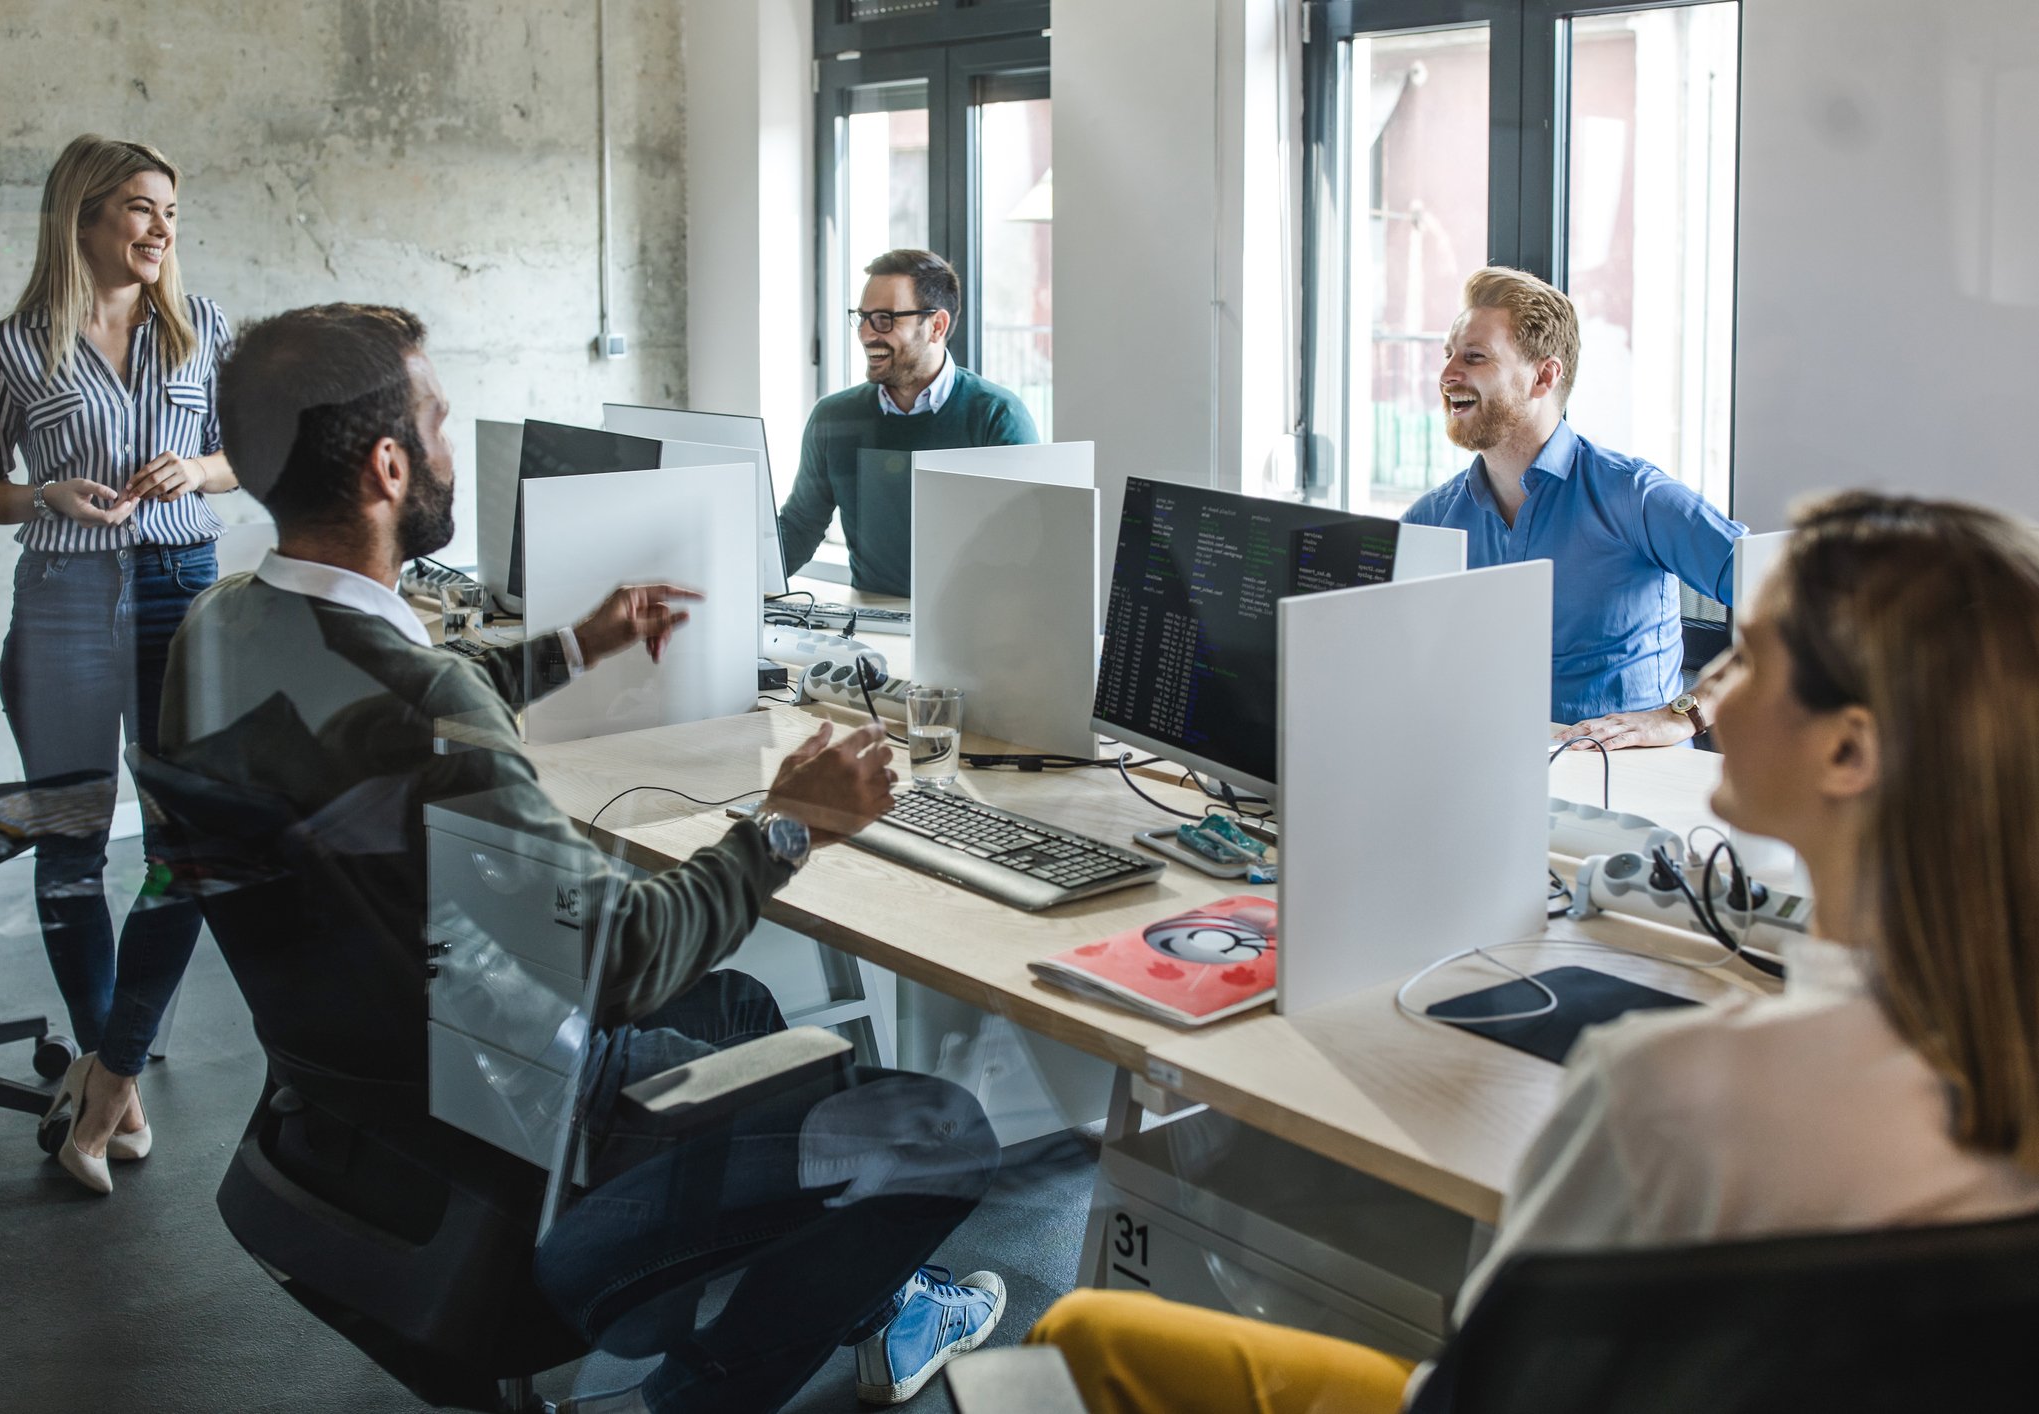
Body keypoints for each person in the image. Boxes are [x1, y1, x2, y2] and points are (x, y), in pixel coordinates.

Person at [161, 302, 1006, 1410]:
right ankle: (700, 1389)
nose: (450, 448)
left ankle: (857, 1298)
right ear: (385, 465)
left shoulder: (218, 629)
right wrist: (789, 822)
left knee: (742, 1008)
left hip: (366, 1105)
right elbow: (624, 956)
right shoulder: (424, 701)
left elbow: (376, 718)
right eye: (438, 421)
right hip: (537, 1129)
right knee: (943, 1131)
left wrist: (576, 645)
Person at [1027, 489, 2039, 1411]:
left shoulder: (1672, 1089)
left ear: (1849, 749)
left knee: (1076, 1334)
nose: (1711, 685)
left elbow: (1473, 1381)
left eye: (1751, 656)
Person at [0, 133, 240, 1192]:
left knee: (189, 847)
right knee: (70, 848)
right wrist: (43, 495)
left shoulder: (201, 328)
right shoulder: (12, 348)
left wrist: (198, 466)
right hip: (64, 599)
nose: (162, 230)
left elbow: (253, 452)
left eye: (171, 210)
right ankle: (121, 1083)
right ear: (83, 217)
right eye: (140, 209)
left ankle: (105, 1077)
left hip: (178, 594)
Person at [1401, 267, 1744, 749]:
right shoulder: (1430, 520)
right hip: (1488, 772)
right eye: (1448, 355)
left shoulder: (1633, 496)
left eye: (1474, 357)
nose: (1446, 375)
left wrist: (1686, 713)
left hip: (1630, 785)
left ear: (1543, 375)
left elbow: (1792, 599)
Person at [776, 249, 1040, 596]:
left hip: (969, 631)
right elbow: (798, 528)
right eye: (863, 317)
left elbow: (1031, 551)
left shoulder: (996, 418)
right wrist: (718, 584)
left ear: (936, 326)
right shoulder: (833, 418)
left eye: (885, 319)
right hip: (871, 626)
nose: (867, 334)